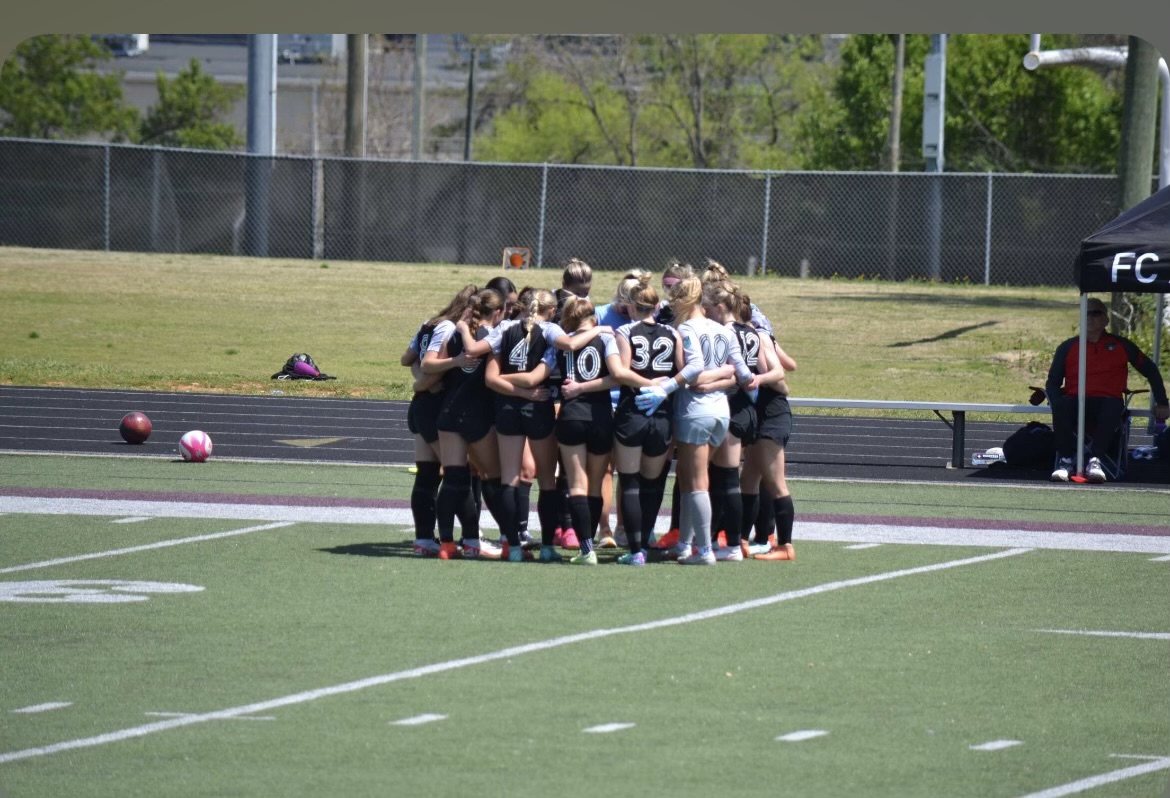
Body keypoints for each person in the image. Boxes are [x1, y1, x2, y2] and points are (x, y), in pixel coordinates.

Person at [636, 274, 757, 565]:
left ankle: (704, 550)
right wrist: (722, 374)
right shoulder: (723, 330)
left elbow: (695, 371)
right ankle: (686, 544)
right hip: (721, 412)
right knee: (691, 480)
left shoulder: (685, 329)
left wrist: (669, 387)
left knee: (697, 482)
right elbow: (744, 374)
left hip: (696, 412)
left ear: (683, 299)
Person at [422, 288, 507, 559]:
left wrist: (454, 361)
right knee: (495, 480)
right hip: (477, 415)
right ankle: (509, 541)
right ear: (499, 312)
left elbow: (429, 365)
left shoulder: (456, 333)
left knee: (454, 480)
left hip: (449, 413)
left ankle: (448, 543)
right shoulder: (496, 335)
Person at [1045, 297, 1168, 483]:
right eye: (1086, 313)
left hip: (1108, 404)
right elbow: (1052, 382)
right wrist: (1055, 402)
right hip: (1075, 403)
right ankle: (1065, 461)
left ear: (1106, 320)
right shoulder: (1067, 347)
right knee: (1062, 405)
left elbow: (1151, 370)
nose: (1091, 317)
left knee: (1112, 404)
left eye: (1096, 313)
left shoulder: (1122, 345)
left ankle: (1095, 460)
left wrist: (1162, 402)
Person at [401, 284, 478, 556]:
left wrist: (421, 383)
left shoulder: (429, 323)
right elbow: (428, 364)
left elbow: (407, 359)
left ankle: (424, 539)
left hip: (422, 405)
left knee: (428, 475)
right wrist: (453, 363)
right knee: (457, 475)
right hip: (433, 408)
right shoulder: (447, 328)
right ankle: (469, 539)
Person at [612, 274, 684, 565]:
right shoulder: (673, 333)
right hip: (662, 412)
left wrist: (646, 384)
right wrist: (662, 387)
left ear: (632, 306)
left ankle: (635, 550)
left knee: (630, 481)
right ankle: (645, 538)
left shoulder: (626, 332)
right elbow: (684, 371)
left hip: (633, 410)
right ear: (656, 307)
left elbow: (622, 371)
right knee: (653, 482)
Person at [554, 295, 624, 565]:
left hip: (572, 416)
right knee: (596, 484)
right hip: (600, 416)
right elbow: (616, 375)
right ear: (593, 317)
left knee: (577, 484)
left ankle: (586, 550)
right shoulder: (606, 337)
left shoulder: (563, 342)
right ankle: (590, 540)